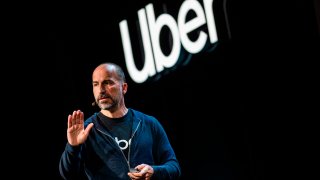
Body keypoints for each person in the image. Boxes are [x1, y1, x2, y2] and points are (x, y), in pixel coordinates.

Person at [59, 62, 181, 180]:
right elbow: (68, 175)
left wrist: (154, 171)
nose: (101, 90)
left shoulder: (148, 123)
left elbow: (174, 167)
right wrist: (73, 147)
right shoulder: (86, 130)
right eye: (96, 84)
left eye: (107, 83)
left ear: (124, 87)